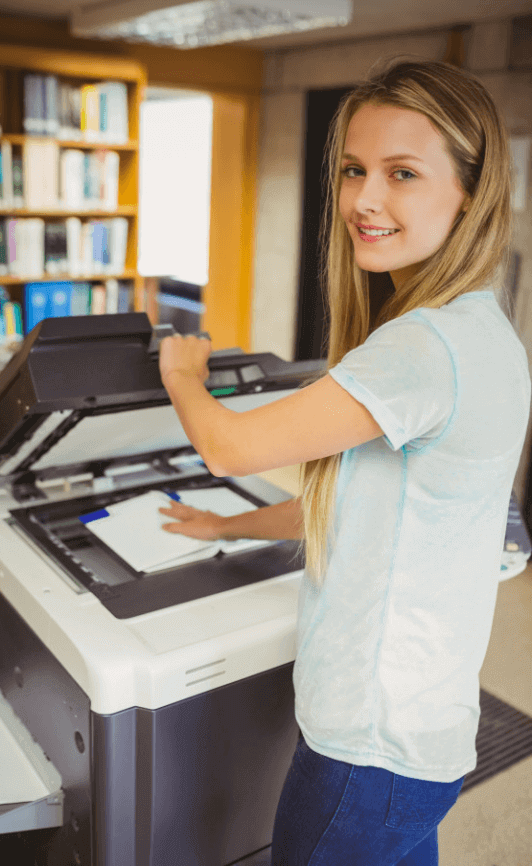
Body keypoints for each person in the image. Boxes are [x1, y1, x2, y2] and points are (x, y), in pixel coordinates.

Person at [156, 58, 531, 866]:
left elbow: (228, 444)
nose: (365, 199)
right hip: (422, 736)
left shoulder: (423, 346)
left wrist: (183, 372)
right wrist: (228, 525)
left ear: (469, 190)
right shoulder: (481, 330)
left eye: (403, 173)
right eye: (355, 170)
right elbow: (372, 504)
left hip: (367, 747)